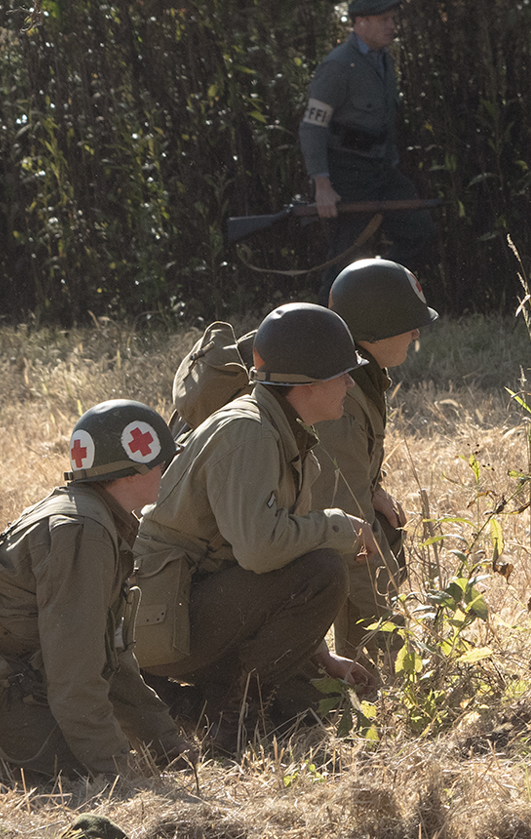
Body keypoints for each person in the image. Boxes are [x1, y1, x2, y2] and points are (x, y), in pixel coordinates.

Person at [0, 401, 195, 780]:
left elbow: (109, 658)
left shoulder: (88, 514)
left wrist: (167, 747)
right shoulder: (84, 532)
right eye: (160, 459)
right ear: (129, 470)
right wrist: (118, 773)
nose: (166, 467)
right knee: (75, 772)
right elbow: (75, 676)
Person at [134, 303, 381, 753]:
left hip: (193, 603)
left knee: (311, 708)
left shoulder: (280, 427)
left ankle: (188, 705)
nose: (349, 383)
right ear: (304, 383)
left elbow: (266, 565)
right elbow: (260, 551)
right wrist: (337, 526)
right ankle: (233, 725)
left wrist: (321, 657)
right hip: (164, 622)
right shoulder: (250, 432)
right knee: (324, 570)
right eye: (341, 373)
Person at [309, 258, 439, 669]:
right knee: (363, 544)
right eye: (406, 322)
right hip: (253, 549)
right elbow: (352, 538)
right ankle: (365, 669)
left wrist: (371, 488)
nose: (416, 332)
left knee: (384, 528)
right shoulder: (338, 394)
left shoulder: (356, 373)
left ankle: (360, 663)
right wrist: (396, 658)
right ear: (374, 330)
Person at [300, 0, 437, 289]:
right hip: (347, 175)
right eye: (384, 19)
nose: (392, 25)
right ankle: (327, 328)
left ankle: (379, 296)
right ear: (360, 23)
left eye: (392, 18)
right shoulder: (338, 66)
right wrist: (322, 185)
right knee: (344, 260)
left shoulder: (384, 61)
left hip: (382, 170)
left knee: (418, 229)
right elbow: (313, 127)